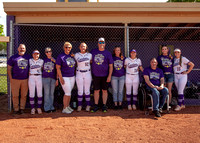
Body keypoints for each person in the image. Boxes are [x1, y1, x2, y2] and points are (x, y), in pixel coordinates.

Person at [90, 38, 113, 113]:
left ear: (104, 44)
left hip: (105, 75)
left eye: (102, 42)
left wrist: (109, 76)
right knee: (96, 91)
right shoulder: (93, 52)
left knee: (104, 90)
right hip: (96, 75)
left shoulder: (108, 53)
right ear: (98, 43)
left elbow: (111, 66)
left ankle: (104, 105)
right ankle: (96, 105)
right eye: (100, 42)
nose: (101, 43)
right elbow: (88, 59)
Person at [7, 44, 31, 114]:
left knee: (24, 95)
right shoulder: (13, 58)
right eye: (20, 48)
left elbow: (32, 66)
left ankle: (22, 109)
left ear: (25, 49)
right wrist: (11, 78)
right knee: (15, 95)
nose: (22, 49)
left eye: (23, 48)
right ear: (18, 49)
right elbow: (9, 69)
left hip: (25, 79)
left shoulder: (28, 57)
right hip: (15, 79)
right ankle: (16, 109)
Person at [56, 42, 76, 114]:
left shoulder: (72, 56)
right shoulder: (61, 56)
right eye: (66, 47)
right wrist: (60, 78)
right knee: (67, 93)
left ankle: (67, 106)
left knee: (69, 93)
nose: (68, 49)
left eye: (69, 47)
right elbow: (58, 68)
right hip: (65, 76)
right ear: (64, 48)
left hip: (72, 76)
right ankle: (64, 108)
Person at [74, 42, 92, 112]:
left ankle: (88, 105)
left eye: (84, 46)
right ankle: (79, 105)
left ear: (86, 47)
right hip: (79, 73)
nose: (83, 47)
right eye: (81, 46)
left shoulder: (90, 55)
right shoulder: (76, 55)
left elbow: (92, 62)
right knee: (80, 91)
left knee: (87, 90)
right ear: (79, 47)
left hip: (87, 72)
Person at [42, 47, 58, 113]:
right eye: (47, 52)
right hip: (45, 78)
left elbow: (58, 69)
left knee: (51, 93)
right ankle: (47, 108)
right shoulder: (43, 60)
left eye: (50, 51)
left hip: (53, 78)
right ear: (45, 53)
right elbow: (41, 69)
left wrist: (57, 79)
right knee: (46, 93)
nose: (49, 53)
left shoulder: (54, 60)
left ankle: (51, 107)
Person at [28, 50, 44, 115]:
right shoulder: (29, 60)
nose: (36, 55)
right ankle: (32, 108)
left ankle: (39, 108)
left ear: (39, 55)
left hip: (39, 77)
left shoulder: (42, 61)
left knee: (39, 93)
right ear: (32, 55)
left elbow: (43, 68)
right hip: (31, 77)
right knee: (32, 93)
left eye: (37, 54)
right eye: (34, 54)